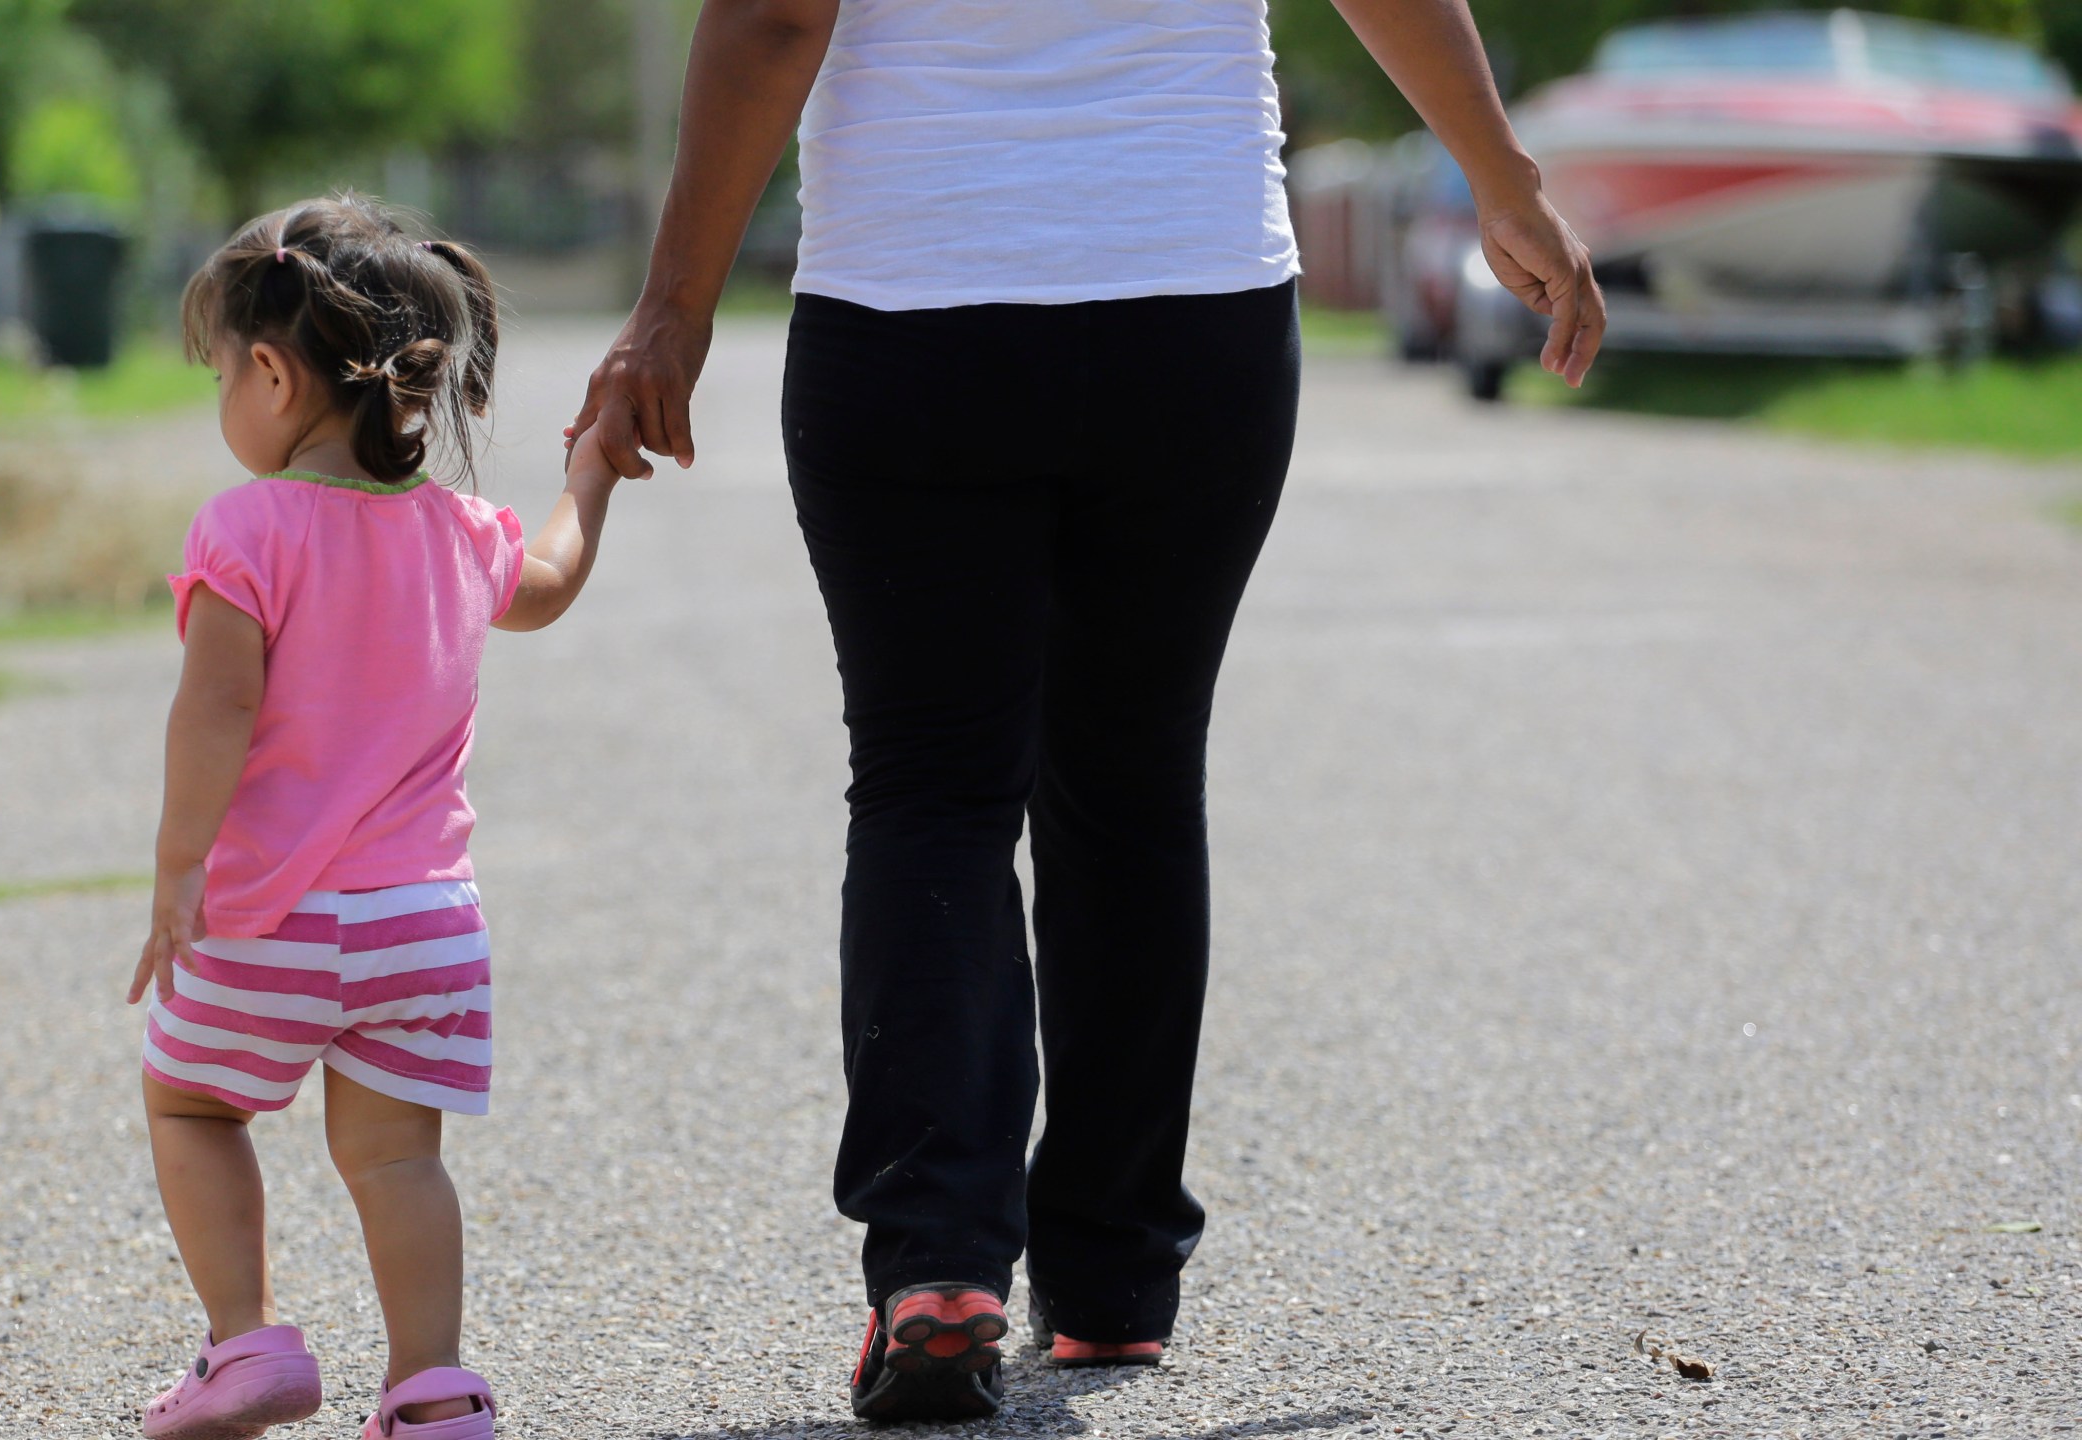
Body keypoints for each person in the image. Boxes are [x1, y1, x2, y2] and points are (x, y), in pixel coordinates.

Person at [571, 0, 1605, 1423]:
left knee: (934, 788)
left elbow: (774, 13)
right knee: (1129, 778)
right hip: (1192, 307)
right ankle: (1113, 1282)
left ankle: (937, 1264)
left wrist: (674, 303)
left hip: (915, 306)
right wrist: (1505, 179)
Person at [127, 193, 623, 1440]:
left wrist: (178, 866)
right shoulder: (459, 532)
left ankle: (247, 1348)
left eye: (221, 379)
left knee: (192, 1104)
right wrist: (589, 471)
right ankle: (433, 1388)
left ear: (273, 373)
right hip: (424, 928)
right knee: (401, 1161)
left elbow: (215, 712)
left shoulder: (244, 528)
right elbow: (551, 582)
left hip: (266, 920)